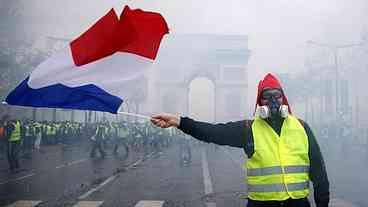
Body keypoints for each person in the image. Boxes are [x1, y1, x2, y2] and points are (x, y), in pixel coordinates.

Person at [151, 73, 329, 207]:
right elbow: (213, 132)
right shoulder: (248, 129)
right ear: (259, 102)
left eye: (277, 95)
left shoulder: (302, 127)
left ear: (284, 98)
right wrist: (179, 122)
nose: (273, 101)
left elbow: (319, 175)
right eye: (267, 96)